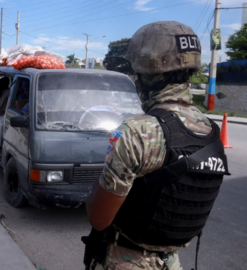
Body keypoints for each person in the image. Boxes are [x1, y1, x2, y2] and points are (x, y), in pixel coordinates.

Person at [85, 21, 229, 270]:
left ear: (144, 75)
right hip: (171, 263)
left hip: (125, 260)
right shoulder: (211, 131)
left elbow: (99, 219)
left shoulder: (137, 133)